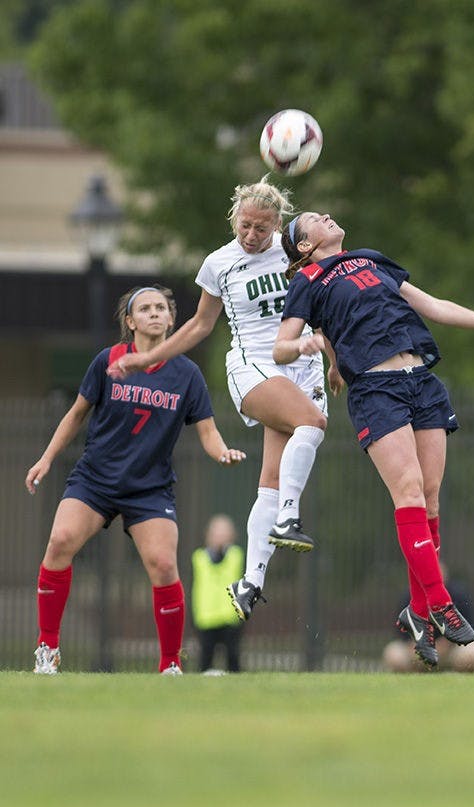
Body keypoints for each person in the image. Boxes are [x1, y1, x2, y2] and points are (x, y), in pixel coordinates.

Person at [274, 211, 474, 669]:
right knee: (408, 492)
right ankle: (440, 606)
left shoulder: (371, 259)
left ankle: (417, 612)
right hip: (377, 390)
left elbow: (430, 305)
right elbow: (281, 345)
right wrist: (307, 347)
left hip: (422, 381)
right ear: (305, 247)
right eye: (313, 219)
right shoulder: (309, 279)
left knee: (430, 502)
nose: (326, 215)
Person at [107, 179, 344, 623]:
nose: (251, 235)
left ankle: (251, 580)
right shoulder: (219, 263)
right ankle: (290, 517)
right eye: (245, 225)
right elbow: (198, 326)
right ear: (234, 217)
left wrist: (333, 361)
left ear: (278, 226)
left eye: (262, 227)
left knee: (270, 481)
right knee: (312, 422)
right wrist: (149, 358)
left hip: (302, 366)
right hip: (255, 364)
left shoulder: (293, 251)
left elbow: (323, 307)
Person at [26, 285, 246, 675]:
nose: (154, 313)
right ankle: (48, 648)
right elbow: (77, 413)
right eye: (144, 309)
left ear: (172, 318)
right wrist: (46, 458)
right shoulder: (108, 360)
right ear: (130, 321)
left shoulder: (186, 374)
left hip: (149, 487)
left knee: (163, 565)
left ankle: (170, 665)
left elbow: (208, 432)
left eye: (161, 307)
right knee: (59, 542)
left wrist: (222, 451)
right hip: (95, 479)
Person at [382, 564, 474, 672]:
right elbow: (403, 638)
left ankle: (463, 684)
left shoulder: (458, 595)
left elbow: (469, 633)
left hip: (452, 652)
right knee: (394, 654)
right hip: (418, 654)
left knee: (472, 653)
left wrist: (445, 645)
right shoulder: (408, 598)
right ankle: (412, 685)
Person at [191, 514, 245, 673]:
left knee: (233, 658)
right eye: (216, 532)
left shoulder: (236, 555)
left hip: (230, 616)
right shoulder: (199, 557)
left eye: (224, 532)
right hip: (206, 617)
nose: (220, 536)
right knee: (205, 659)